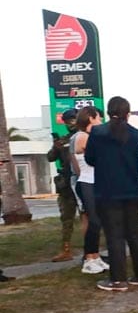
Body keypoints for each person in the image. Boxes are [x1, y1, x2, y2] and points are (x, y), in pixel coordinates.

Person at [85, 96, 138, 292]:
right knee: (136, 233)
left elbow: (90, 159)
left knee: (114, 235)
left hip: (108, 191)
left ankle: (118, 280)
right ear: (127, 113)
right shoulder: (136, 134)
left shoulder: (97, 132)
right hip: (135, 190)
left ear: (107, 112)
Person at [71, 106, 109, 275]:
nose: (100, 121)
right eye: (99, 118)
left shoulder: (90, 136)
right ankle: (88, 259)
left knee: (97, 221)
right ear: (91, 118)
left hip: (94, 182)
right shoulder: (83, 137)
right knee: (93, 221)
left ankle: (95, 256)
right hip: (87, 183)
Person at [46, 108, 79, 261]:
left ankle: (93, 251)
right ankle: (66, 250)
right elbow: (50, 157)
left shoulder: (85, 137)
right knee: (66, 218)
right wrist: (56, 147)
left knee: (91, 217)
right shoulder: (64, 140)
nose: (70, 124)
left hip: (83, 181)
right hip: (66, 184)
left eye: (73, 120)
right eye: (67, 121)